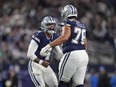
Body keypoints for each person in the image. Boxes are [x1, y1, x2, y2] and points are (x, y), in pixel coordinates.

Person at [40, 5, 89, 87]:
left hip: (72, 54)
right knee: (78, 83)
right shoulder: (81, 25)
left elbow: (65, 37)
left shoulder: (68, 23)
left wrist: (49, 45)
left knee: (63, 82)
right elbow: (85, 42)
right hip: (84, 55)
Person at [27, 16, 63, 87]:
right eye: (49, 25)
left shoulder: (55, 36)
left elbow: (59, 54)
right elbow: (29, 54)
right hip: (35, 64)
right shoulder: (39, 35)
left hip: (45, 65)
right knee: (41, 86)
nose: (52, 27)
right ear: (44, 25)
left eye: (53, 25)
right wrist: (41, 62)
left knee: (54, 85)